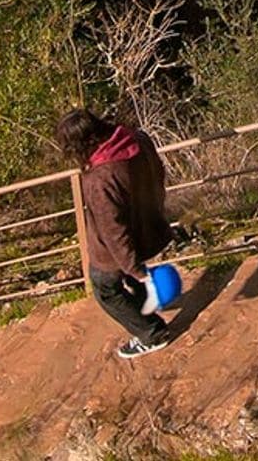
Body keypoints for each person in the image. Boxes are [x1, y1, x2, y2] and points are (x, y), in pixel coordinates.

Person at [59, 109, 175, 359]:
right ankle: (150, 297)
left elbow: (113, 231)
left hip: (112, 250)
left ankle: (151, 333)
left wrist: (133, 268)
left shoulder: (100, 179)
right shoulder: (136, 139)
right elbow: (158, 172)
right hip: (145, 224)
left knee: (106, 290)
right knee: (133, 273)